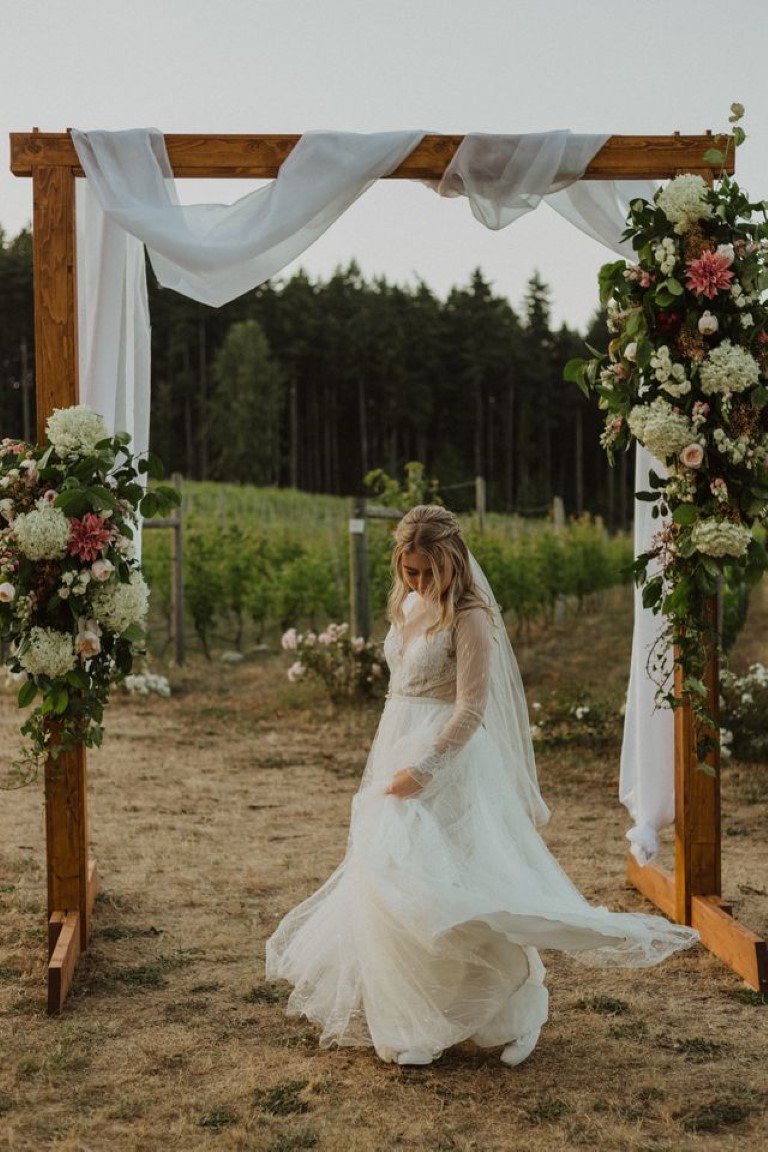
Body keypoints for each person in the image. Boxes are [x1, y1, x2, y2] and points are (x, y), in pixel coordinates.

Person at [266, 505, 698, 1067]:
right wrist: (390, 762)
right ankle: (415, 1021)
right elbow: (401, 691)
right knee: (395, 886)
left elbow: (471, 709)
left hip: (447, 761)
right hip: (397, 746)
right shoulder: (410, 604)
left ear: (451, 562)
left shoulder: (470, 617)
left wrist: (423, 770)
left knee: (455, 891)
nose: (417, 582)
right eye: (409, 571)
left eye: (426, 571)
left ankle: (514, 1010)